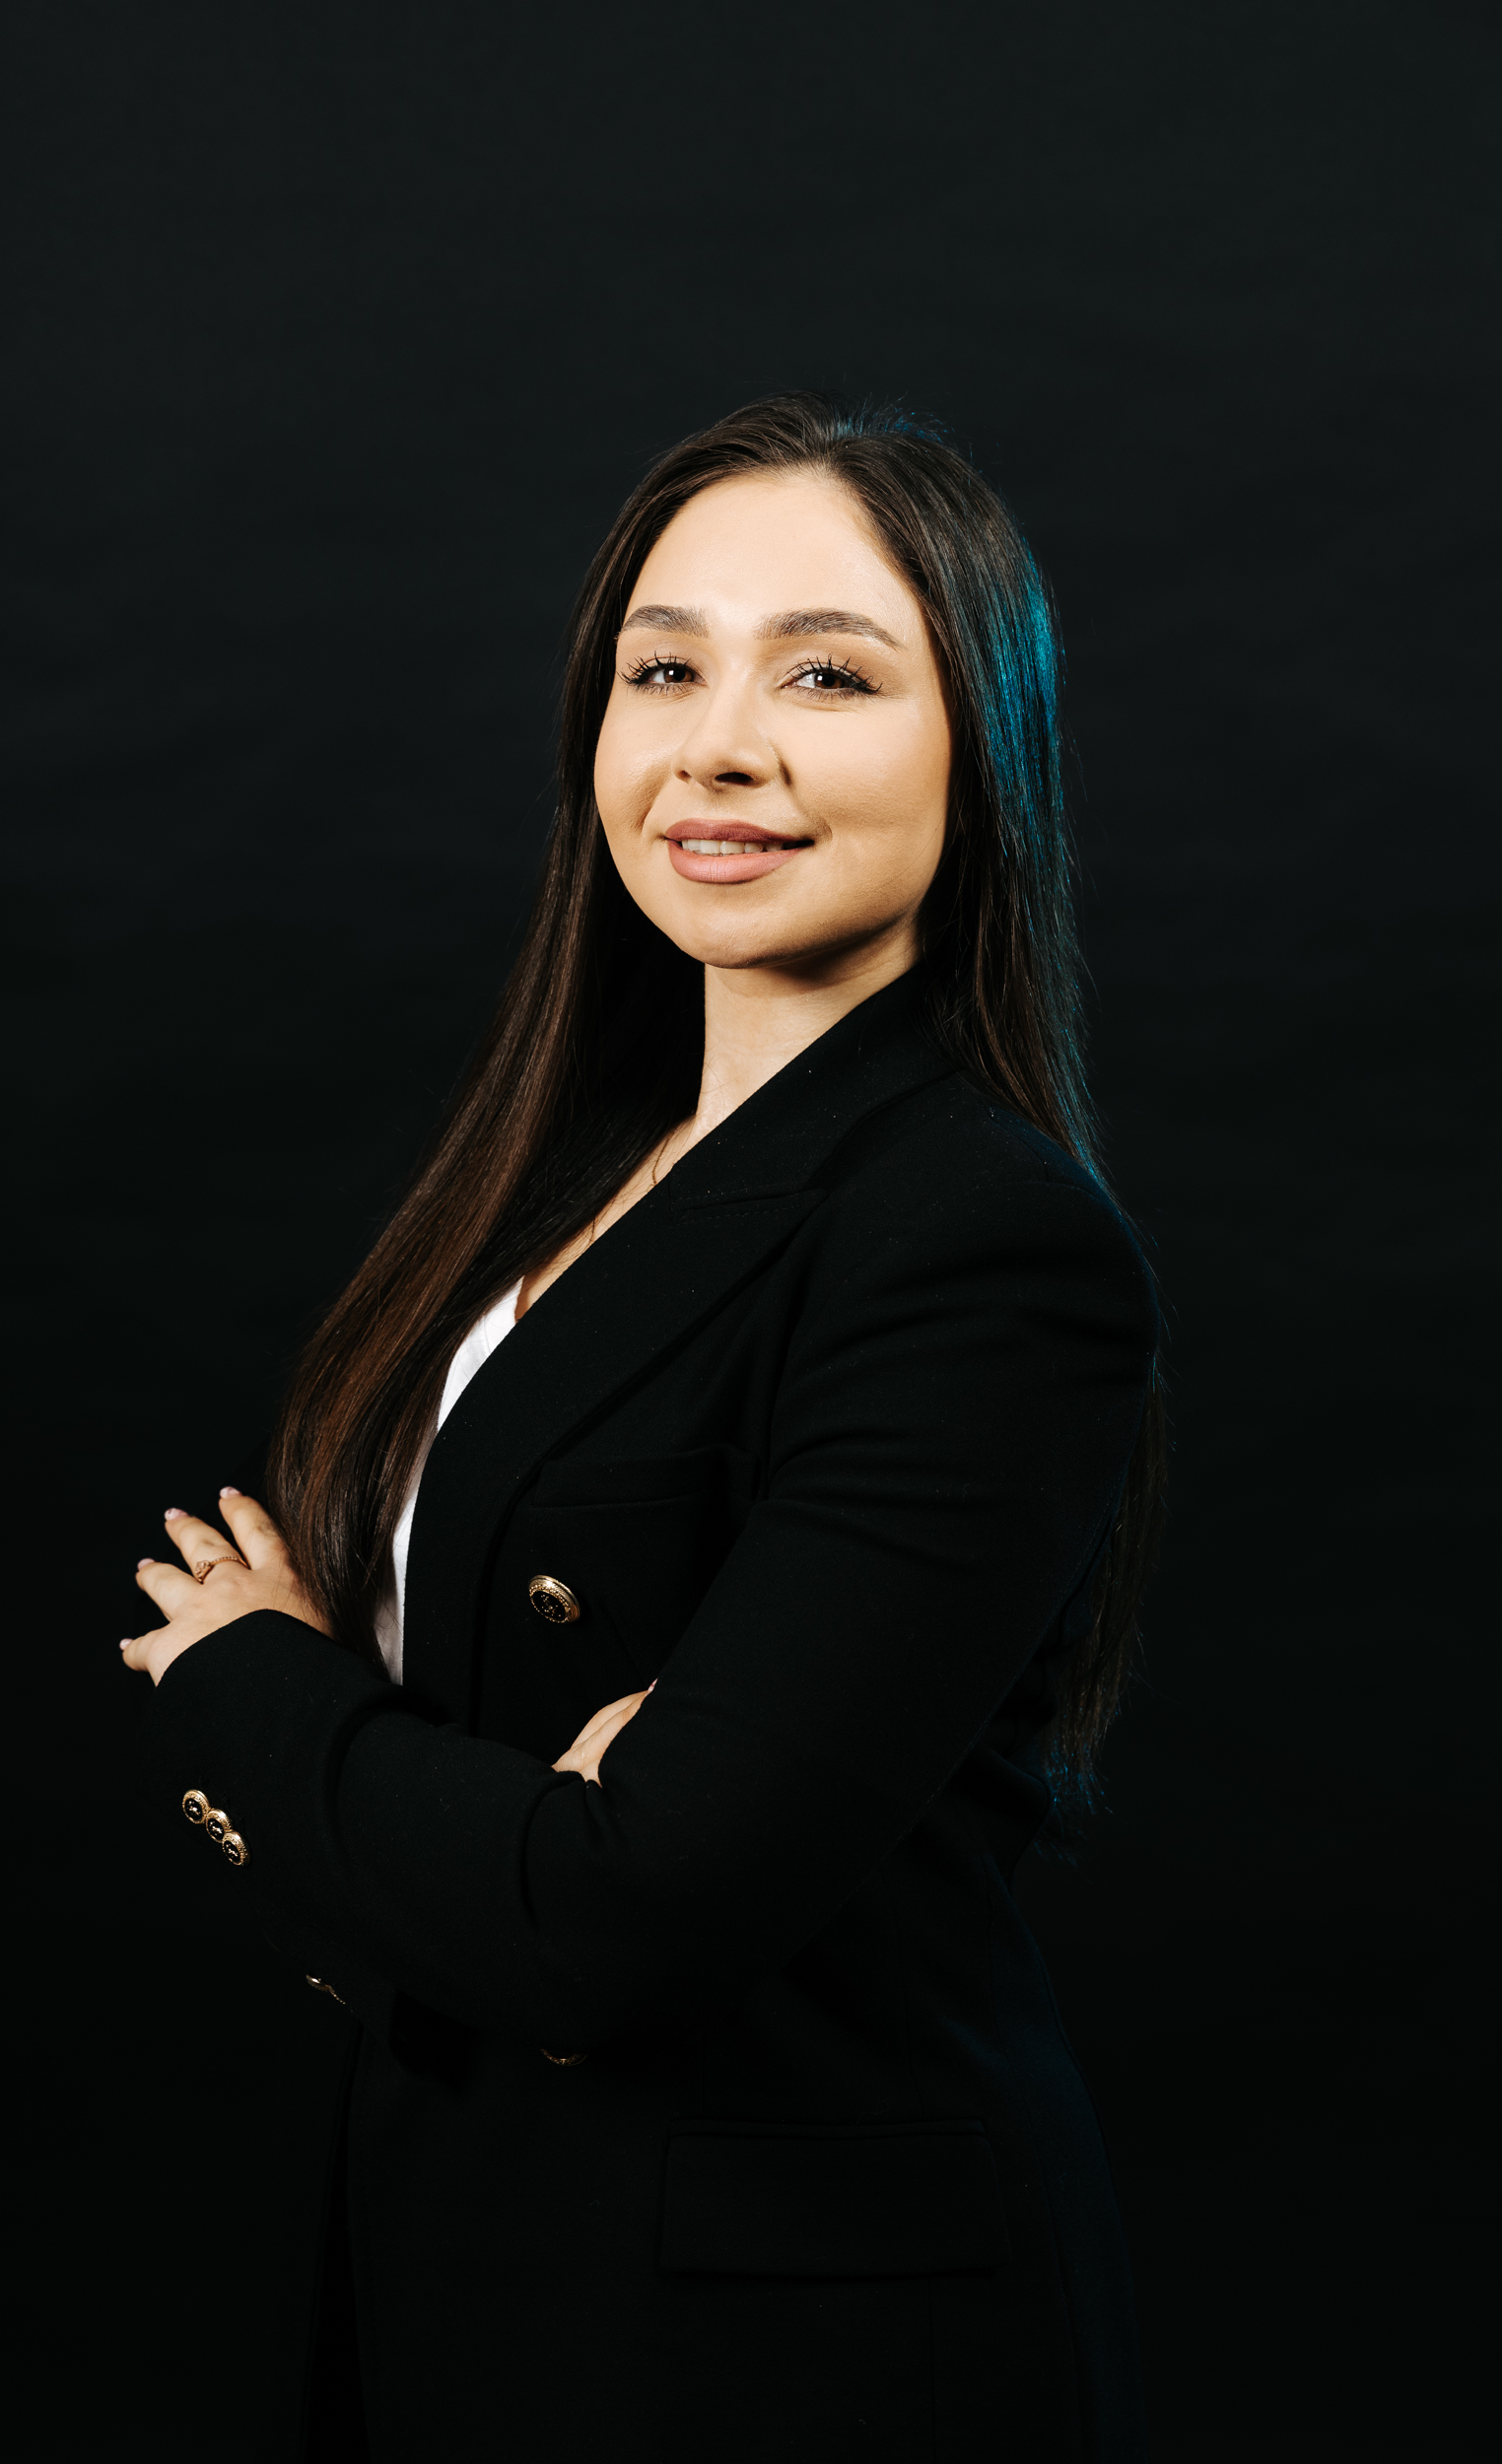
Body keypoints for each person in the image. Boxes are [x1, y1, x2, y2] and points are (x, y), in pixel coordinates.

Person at [123, 392, 1164, 2464]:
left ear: (982, 747)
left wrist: (258, 1683)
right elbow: (558, 1861)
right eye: (664, 669)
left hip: (782, 2348)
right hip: (477, 2252)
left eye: (828, 676)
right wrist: (512, 1812)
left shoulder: (981, 1238)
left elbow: (621, 1912)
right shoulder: (571, 1176)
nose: (719, 745)